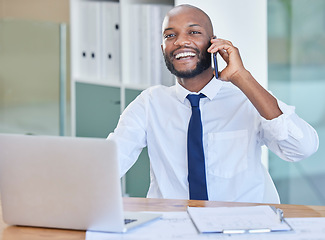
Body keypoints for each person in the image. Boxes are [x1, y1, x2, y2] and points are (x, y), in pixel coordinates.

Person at [108, 4, 319, 203]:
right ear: (163, 47)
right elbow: (110, 162)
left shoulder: (247, 97)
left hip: (241, 226)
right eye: (170, 35)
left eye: (193, 32)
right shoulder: (150, 103)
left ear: (213, 43)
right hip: (173, 225)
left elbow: (302, 148)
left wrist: (241, 76)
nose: (181, 41)